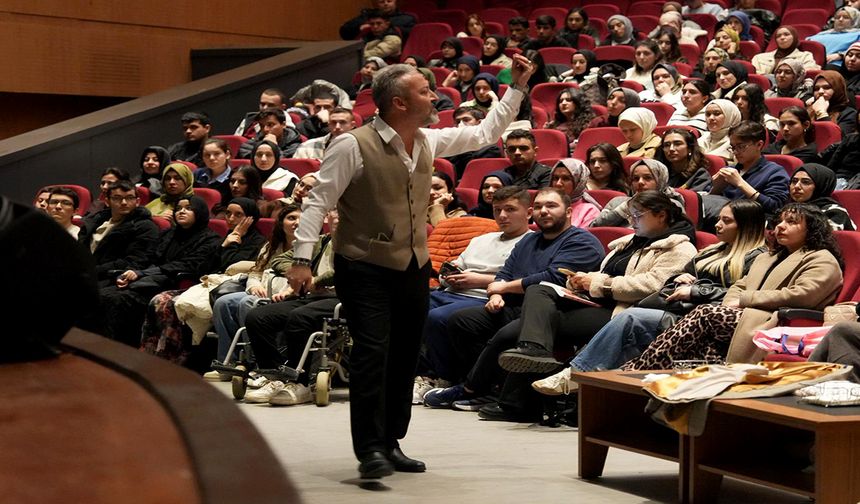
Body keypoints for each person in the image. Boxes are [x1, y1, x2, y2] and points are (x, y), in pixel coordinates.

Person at [285, 56, 537, 479]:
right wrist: (300, 258)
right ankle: (370, 448)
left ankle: (391, 441)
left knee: (404, 355)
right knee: (372, 353)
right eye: (424, 91)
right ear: (399, 103)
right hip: (364, 265)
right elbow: (318, 201)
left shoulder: (427, 140)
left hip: (413, 265)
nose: (434, 95)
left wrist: (518, 87)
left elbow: (485, 133)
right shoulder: (351, 145)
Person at [492, 190, 698, 418]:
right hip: (597, 303)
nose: (631, 222)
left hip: (624, 312)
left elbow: (652, 285)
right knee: (538, 292)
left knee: (534, 326)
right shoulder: (629, 243)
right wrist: (581, 280)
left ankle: (518, 398)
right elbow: (602, 274)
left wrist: (598, 283)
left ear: (661, 215)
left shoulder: (679, 248)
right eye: (630, 216)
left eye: (637, 215)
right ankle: (529, 367)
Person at [534, 199, 766, 392]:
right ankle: (588, 386)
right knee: (626, 336)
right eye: (719, 218)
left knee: (630, 318)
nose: (717, 224)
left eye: (727, 221)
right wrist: (680, 279)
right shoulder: (711, 251)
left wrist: (695, 290)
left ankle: (576, 376)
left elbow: (744, 296)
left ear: (746, 226)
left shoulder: (756, 257)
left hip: (702, 320)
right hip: (679, 310)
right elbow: (669, 283)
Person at [422, 188, 605, 416]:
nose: (543, 211)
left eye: (551, 206)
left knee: (506, 334)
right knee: (461, 320)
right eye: (539, 206)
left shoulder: (582, 241)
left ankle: (473, 388)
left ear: (568, 212)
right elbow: (505, 273)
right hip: (514, 304)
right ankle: (484, 386)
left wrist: (504, 288)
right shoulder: (530, 240)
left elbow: (553, 278)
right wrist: (496, 294)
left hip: (552, 310)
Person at [623, 202, 843, 368]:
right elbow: (740, 285)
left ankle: (639, 368)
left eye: (791, 222)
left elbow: (803, 295)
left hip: (779, 322)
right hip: (747, 314)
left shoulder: (821, 259)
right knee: (707, 344)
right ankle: (690, 386)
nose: (781, 227)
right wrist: (730, 303)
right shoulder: (768, 257)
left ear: (811, 229)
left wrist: (744, 301)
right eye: (779, 222)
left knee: (705, 313)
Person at [415, 186, 533, 402]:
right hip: (451, 290)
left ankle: (443, 377)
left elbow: (523, 280)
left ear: (528, 212)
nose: (502, 215)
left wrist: (479, 279)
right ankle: (420, 373)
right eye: (497, 210)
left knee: (436, 317)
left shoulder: (532, 242)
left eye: (510, 209)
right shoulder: (482, 239)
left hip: (483, 296)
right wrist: (449, 276)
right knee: (408, 307)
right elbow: (454, 266)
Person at [140, 197, 266, 364]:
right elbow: (203, 268)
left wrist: (232, 243)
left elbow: (231, 266)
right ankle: (152, 353)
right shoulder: (225, 238)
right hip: (207, 285)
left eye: (238, 215)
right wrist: (224, 244)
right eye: (228, 213)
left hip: (230, 289)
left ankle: (174, 358)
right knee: (159, 300)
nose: (231, 218)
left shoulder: (258, 242)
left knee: (171, 305)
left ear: (251, 218)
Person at [236, 210, 340, 406]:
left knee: (299, 316)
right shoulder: (321, 241)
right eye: (335, 212)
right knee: (257, 317)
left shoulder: (358, 244)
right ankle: (275, 376)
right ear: (328, 217)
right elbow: (278, 260)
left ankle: (300, 382)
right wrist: (299, 274)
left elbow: (348, 271)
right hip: (312, 297)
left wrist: (317, 280)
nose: (339, 217)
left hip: (344, 298)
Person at [100, 195, 221, 346]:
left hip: (172, 284)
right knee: (101, 294)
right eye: (178, 208)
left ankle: (117, 348)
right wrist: (129, 273)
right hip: (147, 280)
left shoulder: (210, 239)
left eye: (188, 208)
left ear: (200, 212)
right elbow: (147, 257)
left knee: (116, 300)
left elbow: (187, 265)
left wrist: (143, 273)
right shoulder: (169, 233)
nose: (181, 211)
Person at [207, 203, 301, 373]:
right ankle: (228, 362)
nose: (296, 223)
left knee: (247, 303)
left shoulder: (310, 248)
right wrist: (254, 285)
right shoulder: (271, 246)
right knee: (223, 302)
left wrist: (283, 292)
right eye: (291, 218)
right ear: (282, 222)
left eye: (301, 219)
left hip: (287, 296)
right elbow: (255, 272)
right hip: (262, 291)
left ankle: (254, 359)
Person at [78, 181, 159, 288]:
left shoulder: (145, 227)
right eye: (117, 198)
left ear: (137, 201)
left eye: (130, 198)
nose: (124, 202)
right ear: (107, 201)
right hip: (85, 275)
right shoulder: (94, 221)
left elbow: (135, 261)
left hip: (111, 278)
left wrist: (90, 271)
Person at [709, 121, 790, 215]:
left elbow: (775, 207)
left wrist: (740, 183)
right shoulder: (729, 170)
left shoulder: (774, 172)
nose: (735, 152)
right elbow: (709, 201)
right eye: (733, 147)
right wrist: (716, 188)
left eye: (741, 146)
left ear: (759, 145)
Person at [591, 159, 688, 230]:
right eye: (636, 179)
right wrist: (626, 207)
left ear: (660, 181)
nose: (640, 182)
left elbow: (678, 234)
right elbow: (594, 227)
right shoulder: (617, 202)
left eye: (648, 178)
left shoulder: (672, 205)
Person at [788, 164, 855, 231]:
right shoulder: (788, 208)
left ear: (820, 186)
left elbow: (822, 237)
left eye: (805, 182)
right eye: (794, 181)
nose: (796, 186)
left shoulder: (835, 213)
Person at [443, 108, 504, 179]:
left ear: (480, 123)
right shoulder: (450, 148)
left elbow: (473, 174)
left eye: (466, 120)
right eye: (457, 122)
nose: (460, 125)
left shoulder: (491, 149)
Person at [549, 159, 601, 227]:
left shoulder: (590, 211)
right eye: (555, 178)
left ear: (579, 182)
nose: (558, 183)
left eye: (565, 179)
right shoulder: (544, 206)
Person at [751, 26, 819, 76]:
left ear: (794, 37)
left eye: (786, 34)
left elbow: (807, 73)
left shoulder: (805, 56)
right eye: (778, 36)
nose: (782, 38)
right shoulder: (759, 57)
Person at [808, 71, 858, 138]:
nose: (820, 91)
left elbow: (838, 139)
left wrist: (822, 113)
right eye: (816, 89)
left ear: (838, 89)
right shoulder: (810, 110)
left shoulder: (850, 114)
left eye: (827, 87)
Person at [237, 108, 303, 160]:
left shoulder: (295, 144)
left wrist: (273, 147)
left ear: (283, 124)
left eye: (270, 125)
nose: (265, 129)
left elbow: (284, 164)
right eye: (262, 125)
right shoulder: (255, 141)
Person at [544, 88, 595, 153]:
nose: (563, 103)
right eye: (560, 101)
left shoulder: (589, 124)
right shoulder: (554, 125)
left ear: (578, 102)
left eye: (568, 100)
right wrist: (547, 133)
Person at [339, 0, 416, 42]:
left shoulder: (406, 18)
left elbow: (412, 35)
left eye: (389, 1)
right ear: (377, 4)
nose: (385, 4)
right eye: (382, 2)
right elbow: (344, 31)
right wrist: (360, 28)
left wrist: (387, 28)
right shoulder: (367, 15)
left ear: (395, 1)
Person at [194, 138, 233, 211]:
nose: (211, 158)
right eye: (207, 155)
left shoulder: (235, 177)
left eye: (217, 154)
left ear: (227, 154)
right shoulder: (196, 174)